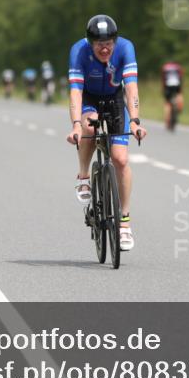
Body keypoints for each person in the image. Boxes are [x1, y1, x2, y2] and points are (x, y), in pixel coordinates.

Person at [66, 15, 146, 251]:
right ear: (90, 42)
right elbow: (75, 93)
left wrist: (135, 121)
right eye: (99, 43)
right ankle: (83, 177)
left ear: (115, 40)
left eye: (109, 42)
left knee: (121, 158)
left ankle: (124, 223)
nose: (105, 48)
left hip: (114, 99)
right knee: (89, 126)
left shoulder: (126, 48)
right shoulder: (79, 51)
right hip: (89, 98)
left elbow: (131, 88)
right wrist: (75, 126)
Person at [161, 60, 184, 130]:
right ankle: (179, 108)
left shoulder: (165, 67)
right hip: (177, 85)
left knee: (167, 103)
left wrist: (163, 89)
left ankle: (167, 120)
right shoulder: (178, 67)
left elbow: (163, 79)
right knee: (179, 95)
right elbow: (181, 77)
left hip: (167, 86)